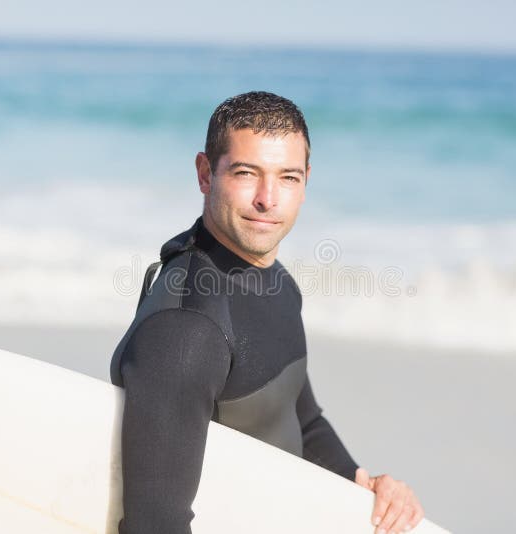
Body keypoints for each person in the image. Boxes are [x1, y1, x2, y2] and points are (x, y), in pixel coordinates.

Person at [110, 91, 424, 534]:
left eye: (288, 177)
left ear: (307, 181)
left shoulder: (276, 282)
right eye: (245, 173)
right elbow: (154, 525)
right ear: (205, 173)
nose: (268, 199)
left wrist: (365, 486)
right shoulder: (185, 329)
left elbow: (302, 418)